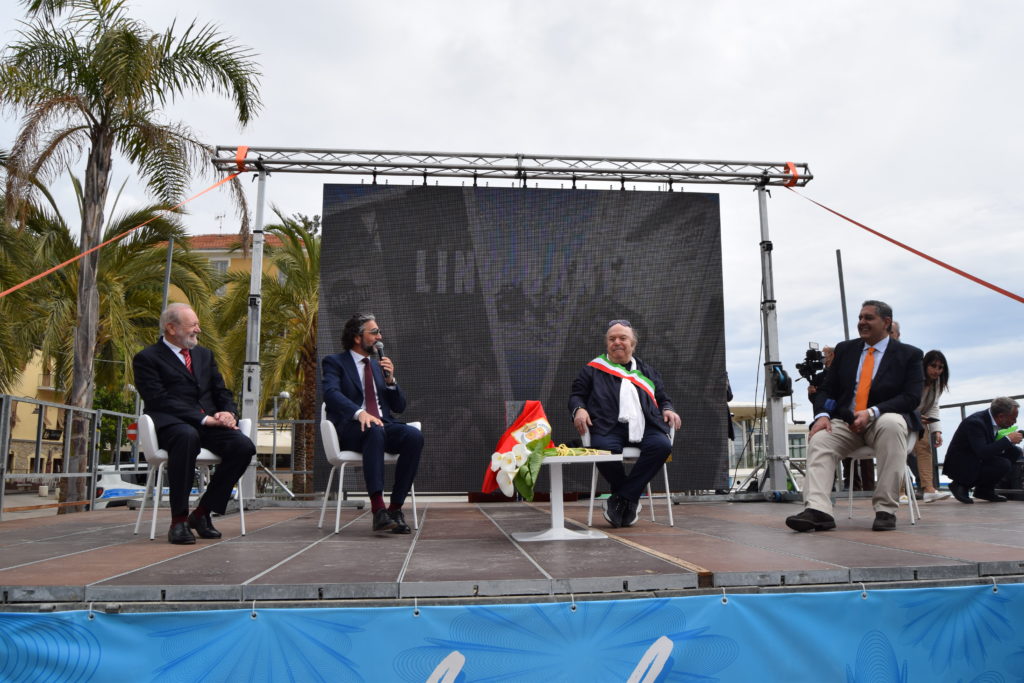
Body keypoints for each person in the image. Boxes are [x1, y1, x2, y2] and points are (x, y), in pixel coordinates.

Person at [785, 300, 923, 532]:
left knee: (892, 424)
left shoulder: (909, 355)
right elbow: (827, 389)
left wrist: (871, 412)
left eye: (868, 318)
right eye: (860, 318)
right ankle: (818, 510)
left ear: (886, 322)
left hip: (882, 419)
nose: (862, 322)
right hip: (846, 422)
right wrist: (822, 415)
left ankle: (885, 510)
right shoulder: (845, 350)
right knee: (820, 439)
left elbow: (911, 398)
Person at [133, 303, 256, 545]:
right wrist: (203, 418)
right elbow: (159, 399)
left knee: (243, 447)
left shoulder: (204, 355)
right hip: (173, 424)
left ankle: (201, 513)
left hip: (209, 425)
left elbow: (221, 391)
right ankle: (178, 521)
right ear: (171, 328)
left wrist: (228, 413)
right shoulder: (147, 358)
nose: (198, 330)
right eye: (193, 325)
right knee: (186, 437)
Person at [569, 320, 682, 528]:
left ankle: (621, 498)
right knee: (602, 449)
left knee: (662, 446)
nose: (617, 342)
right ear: (607, 344)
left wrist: (668, 409)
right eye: (612, 339)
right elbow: (577, 395)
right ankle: (629, 499)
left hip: (646, 425)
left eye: (623, 338)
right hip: (608, 426)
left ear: (633, 344)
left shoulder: (647, 371)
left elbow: (663, 398)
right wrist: (580, 409)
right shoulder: (592, 369)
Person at [322, 312, 422, 534]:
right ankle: (378, 510)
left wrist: (391, 381)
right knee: (373, 429)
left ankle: (394, 510)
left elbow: (399, 407)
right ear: (357, 337)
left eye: (379, 332)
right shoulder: (335, 362)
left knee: (414, 436)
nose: (379, 336)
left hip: (383, 425)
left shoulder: (378, 367)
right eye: (374, 332)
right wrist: (359, 413)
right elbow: (330, 393)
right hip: (352, 430)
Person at [943, 397, 1023, 504]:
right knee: (1003, 463)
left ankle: (984, 490)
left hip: (975, 458)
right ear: (1001, 416)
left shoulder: (990, 420)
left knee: (1014, 451)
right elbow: (982, 452)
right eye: (1013, 419)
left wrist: (1008, 441)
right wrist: (1008, 439)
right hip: (962, 463)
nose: (1015, 422)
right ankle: (960, 485)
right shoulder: (975, 423)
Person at [913, 350, 951, 502]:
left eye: (940, 367)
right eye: (933, 366)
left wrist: (937, 431)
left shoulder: (937, 384)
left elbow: (933, 406)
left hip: (920, 420)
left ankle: (929, 489)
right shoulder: (914, 378)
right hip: (903, 417)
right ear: (925, 365)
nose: (937, 370)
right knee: (899, 453)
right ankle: (900, 491)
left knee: (925, 449)